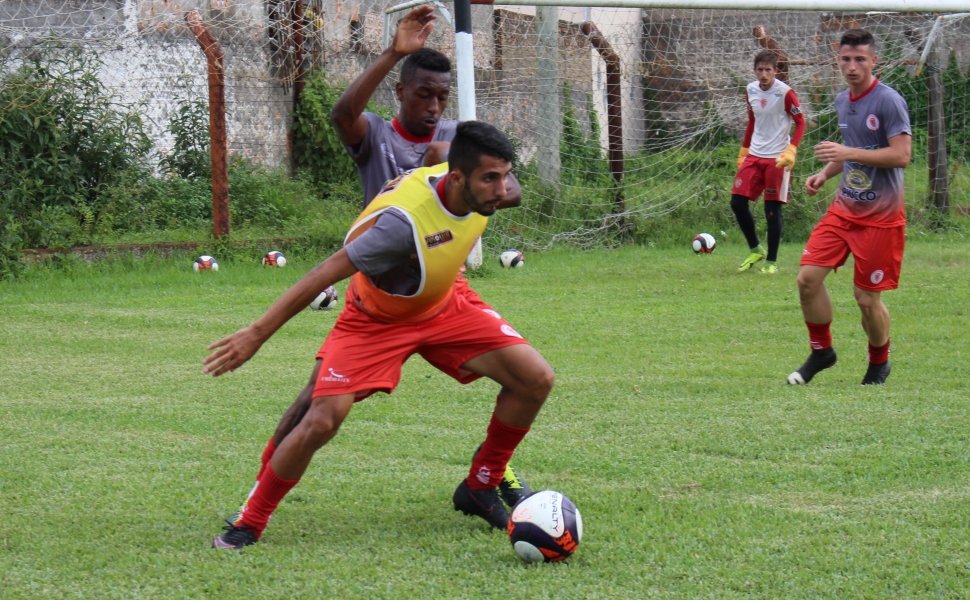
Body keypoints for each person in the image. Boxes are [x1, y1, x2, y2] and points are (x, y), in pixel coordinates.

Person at [230, 5, 531, 523]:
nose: (435, 105)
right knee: (316, 407)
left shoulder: (459, 144)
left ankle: (488, 476)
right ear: (402, 92)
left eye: (442, 95)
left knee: (529, 375)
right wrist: (393, 53)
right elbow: (342, 115)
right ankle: (258, 493)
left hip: (443, 291)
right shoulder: (377, 137)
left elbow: (509, 186)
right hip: (379, 293)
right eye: (424, 94)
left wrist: (456, 164)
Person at [206, 121, 554, 550]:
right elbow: (323, 274)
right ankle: (250, 520)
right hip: (376, 319)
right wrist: (256, 333)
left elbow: (443, 153)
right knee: (321, 418)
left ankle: (481, 485)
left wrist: (490, 176)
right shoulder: (399, 229)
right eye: (491, 179)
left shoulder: (464, 173)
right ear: (458, 177)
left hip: (446, 303)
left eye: (505, 176)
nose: (503, 190)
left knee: (536, 378)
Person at [788, 29, 911, 386]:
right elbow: (853, 148)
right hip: (844, 209)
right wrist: (826, 173)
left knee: (866, 299)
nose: (852, 66)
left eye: (860, 59)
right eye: (846, 59)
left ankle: (879, 362)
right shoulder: (844, 100)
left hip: (882, 218)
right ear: (837, 60)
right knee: (807, 280)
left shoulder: (889, 101)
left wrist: (847, 154)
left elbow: (901, 156)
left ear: (874, 61)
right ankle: (823, 352)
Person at [732, 49, 806, 274]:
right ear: (754, 70)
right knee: (737, 202)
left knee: (771, 210)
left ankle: (772, 262)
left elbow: (800, 122)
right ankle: (755, 249)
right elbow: (752, 121)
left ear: (776, 71)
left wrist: (791, 150)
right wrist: (744, 150)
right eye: (760, 69)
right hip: (754, 155)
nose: (764, 74)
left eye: (768, 70)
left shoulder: (786, 93)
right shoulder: (750, 90)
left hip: (777, 158)